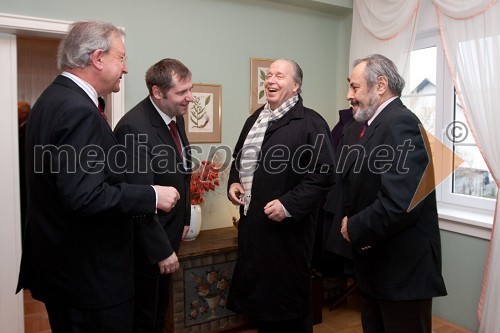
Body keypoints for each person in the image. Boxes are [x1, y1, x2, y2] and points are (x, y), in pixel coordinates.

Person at [16, 20, 180, 333]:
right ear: (97, 58)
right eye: (122, 59)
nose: (126, 69)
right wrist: (152, 195)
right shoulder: (77, 109)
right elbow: (84, 196)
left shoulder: (51, 101)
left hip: (64, 272)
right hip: (90, 279)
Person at [325, 54, 447, 333]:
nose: (348, 95)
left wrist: (353, 226)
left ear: (380, 85)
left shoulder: (400, 123)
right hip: (378, 268)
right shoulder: (373, 125)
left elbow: (401, 203)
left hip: (402, 274)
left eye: (355, 87)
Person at [227, 59, 335, 333]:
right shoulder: (255, 119)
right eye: (269, 75)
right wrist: (234, 182)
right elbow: (239, 159)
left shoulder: (311, 122)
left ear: (296, 85)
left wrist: (288, 204)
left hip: (288, 235)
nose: (271, 80)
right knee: (263, 310)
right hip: (254, 230)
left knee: (289, 311)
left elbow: (323, 175)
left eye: (280, 76)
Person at [114, 58, 193, 333]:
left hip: (170, 232)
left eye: (189, 90)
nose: (189, 98)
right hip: (147, 245)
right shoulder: (133, 129)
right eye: (182, 93)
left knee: (159, 313)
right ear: (157, 92)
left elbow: (183, 172)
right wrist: (160, 250)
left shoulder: (176, 119)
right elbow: (138, 196)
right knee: (145, 318)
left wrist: (185, 217)